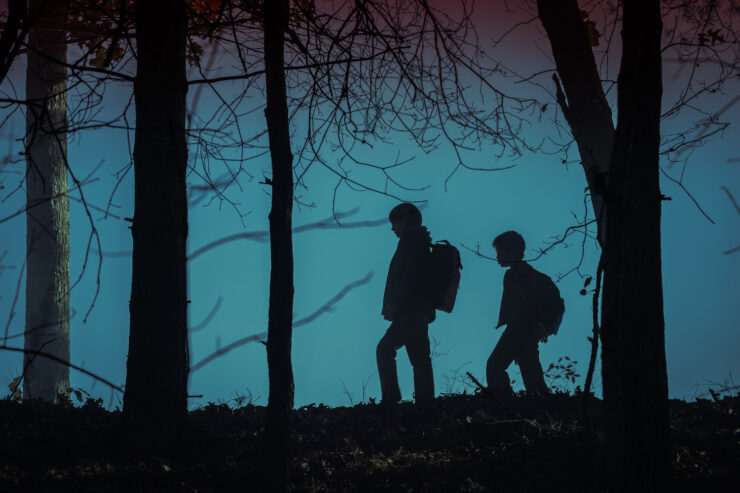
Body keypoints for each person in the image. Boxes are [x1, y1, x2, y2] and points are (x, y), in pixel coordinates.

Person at [377, 203, 435, 404]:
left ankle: (391, 398)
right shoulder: (421, 242)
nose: (393, 228)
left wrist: (396, 304)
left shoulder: (409, 242)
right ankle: (426, 401)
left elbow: (409, 278)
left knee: (384, 349)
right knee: (420, 357)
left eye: (395, 223)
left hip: (409, 310)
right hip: (419, 310)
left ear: (404, 221)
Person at [486, 231, 549, 395]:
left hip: (519, 328)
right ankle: (542, 405)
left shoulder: (515, 274)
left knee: (494, 366)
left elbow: (524, 303)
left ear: (511, 252)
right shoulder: (530, 274)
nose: (498, 257)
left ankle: (501, 402)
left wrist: (517, 333)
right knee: (531, 370)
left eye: (500, 252)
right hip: (528, 329)